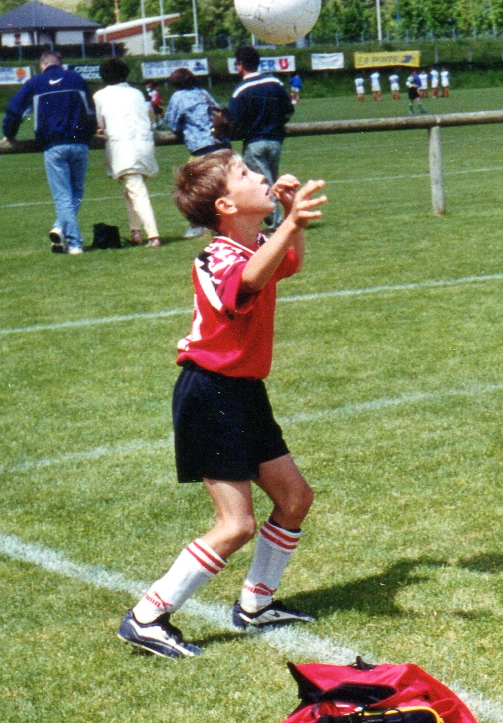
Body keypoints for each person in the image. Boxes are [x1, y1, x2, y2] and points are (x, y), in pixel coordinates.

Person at [118, 148, 327, 659]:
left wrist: (290, 221)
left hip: (241, 391)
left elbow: (287, 263)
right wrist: (290, 220)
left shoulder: (254, 243)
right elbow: (249, 282)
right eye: (244, 174)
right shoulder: (217, 256)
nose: (259, 175)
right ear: (226, 207)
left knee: (295, 498)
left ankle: (256, 605)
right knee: (236, 524)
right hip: (210, 393)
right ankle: (148, 616)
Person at [2, 50, 97, 255]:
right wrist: (88, 136)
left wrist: (8, 133)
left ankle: (74, 242)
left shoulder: (35, 83)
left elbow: (14, 109)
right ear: (61, 64)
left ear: (42, 65)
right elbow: (91, 111)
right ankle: (60, 228)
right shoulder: (77, 79)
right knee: (76, 191)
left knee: (62, 195)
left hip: (53, 145)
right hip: (80, 144)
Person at [94, 58, 160, 248]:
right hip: (145, 145)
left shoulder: (100, 96)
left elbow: (100, 124)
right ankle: (135, 232)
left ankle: (153, 235)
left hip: (124, 147)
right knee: (132, 190)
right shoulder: (137, 93)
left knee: (137, 192)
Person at [228, 45, 294, 231]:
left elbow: (234, 121)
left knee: (262, 185)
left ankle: (277, 223)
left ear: (240, 65)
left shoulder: (241, 90)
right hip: (275, 141)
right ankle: (279, 219)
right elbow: (288, 111)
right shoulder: (275, 83)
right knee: (271, 181)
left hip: (254, 142)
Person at [165, 66, 231, 238]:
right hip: (222, 144)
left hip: (202, 147)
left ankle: (197, 225)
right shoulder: (204, 93)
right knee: (225, 185)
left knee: (192, 186)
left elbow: (171, 122)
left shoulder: (178, 96)